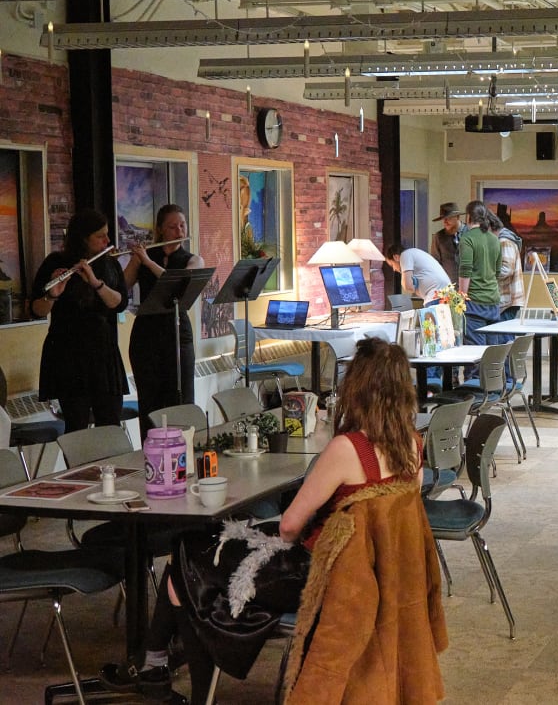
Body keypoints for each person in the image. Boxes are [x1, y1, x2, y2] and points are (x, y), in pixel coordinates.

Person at [100, 338, 446, 703]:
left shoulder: (348, 449)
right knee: (190, 565)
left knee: (187, 557)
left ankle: (169, 674)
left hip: (321, 576)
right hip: (376, 579)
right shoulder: (412, 444)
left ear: (357, 386)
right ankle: (156, 664)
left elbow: (289, 526)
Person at [31, 211, 129, 433]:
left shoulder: (110, 264)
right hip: (68, 356)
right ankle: (80, 469)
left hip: (104, 354)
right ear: (83, 238)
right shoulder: (56, 262)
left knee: (111, 424)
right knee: (76, 428)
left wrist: (95, 282)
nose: (107, 241)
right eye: (100, 236)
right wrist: (53, 294)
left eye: (107, 235)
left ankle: (111, 468)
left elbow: (120, 303)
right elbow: (36, 310)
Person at [124, 204, 206, 436]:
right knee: (149, 403)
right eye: (172, 227)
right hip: (145, 336)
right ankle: (150, 458)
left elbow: (177, 282)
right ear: (160, 230)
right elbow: (123, 287)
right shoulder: (146, 255)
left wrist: (148, 262)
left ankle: (183, 455)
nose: (179, 231)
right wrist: (135, 260)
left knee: (180, 399)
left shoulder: (193, 259)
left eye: (182, 225)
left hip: (177, 335)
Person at [457, 201, 502, 346]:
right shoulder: (494, 239)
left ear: (468, 217)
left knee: (475, 354)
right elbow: (497, 271)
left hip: (474, 303)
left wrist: (461, 299)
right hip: (493, 300)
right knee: (493, 354)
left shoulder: (467, 239)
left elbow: (465, 270)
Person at [488, 212, 526, 322]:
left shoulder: (504, 241)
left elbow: (506, 270)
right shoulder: (503, 240)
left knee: (503, 338)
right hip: (507, 300)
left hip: (507, 300)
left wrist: (485, 273)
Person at [384, 242, 451, 303]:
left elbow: (408, 286)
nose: (394, 269)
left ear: (396, 257)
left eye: (392, 265)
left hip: (435, 295)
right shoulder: (414, 252)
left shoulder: (405, 255)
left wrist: (405, 281)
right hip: (447, 293)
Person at [430, 202, 465, 282]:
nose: (445, 221)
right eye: (443, 219)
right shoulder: (438, 237)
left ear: (457, 217)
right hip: (449, 286)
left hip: (471, 286)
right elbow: (435, 263)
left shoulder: (470, 233)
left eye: (448, 218)